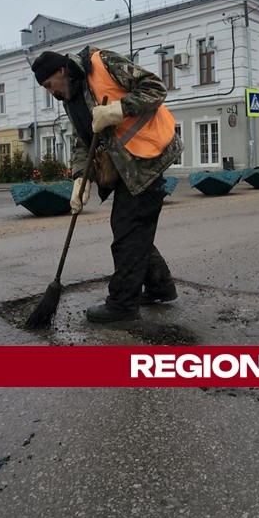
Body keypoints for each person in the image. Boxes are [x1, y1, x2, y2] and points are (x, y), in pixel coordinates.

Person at [31, 46, 183, 322]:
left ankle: (123, 305)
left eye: (49, 84)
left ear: (62, 71)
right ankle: (160, 285)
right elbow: (82, 140)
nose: (50, 92)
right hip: (125, 165)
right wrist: (80, 178)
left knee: (128, 232)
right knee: (132, 228)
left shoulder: (101, 64)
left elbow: (155, 87)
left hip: (148, 156)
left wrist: (117, 110)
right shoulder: (71, 99)